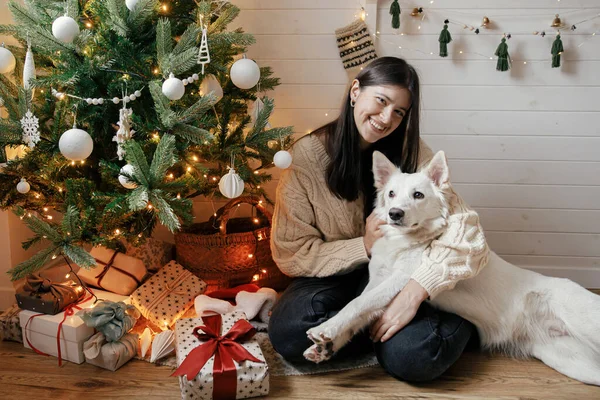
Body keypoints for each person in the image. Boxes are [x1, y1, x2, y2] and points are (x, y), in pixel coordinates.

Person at [268, 57, 490, 382]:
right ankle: (378, 335)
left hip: (406, 271)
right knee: (289, 332)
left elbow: (466, 230)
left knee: (417, 357)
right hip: (336, 275)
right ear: (356, 91)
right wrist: (363, 246)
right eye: (382, 101)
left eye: (399, 112)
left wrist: (416, 291)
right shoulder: (306, 158)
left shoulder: (415, 154)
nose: (387, 119)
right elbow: (291, 252)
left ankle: (452, 326)